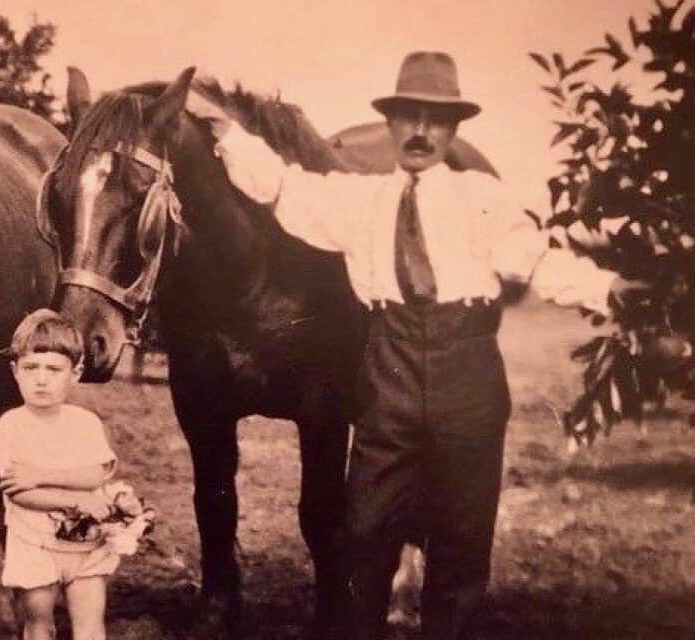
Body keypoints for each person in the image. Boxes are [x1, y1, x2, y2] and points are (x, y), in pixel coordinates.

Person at [206, 52, 641, 640]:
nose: (419, 132)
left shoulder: (482, 197)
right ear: (389, 125)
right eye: (407, 117)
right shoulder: (359, 199)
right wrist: (222, 128)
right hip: (389, 372)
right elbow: (281, 186)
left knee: (460, 547)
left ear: (454, 129)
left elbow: (536, 261)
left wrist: (612, 290)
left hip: (469, 374)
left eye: (435, 120)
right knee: (363, 536)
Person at [0, 309, 120, 640]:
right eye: (31, 368)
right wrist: (76, 501)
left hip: (86, 545)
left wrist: (39, 473)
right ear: (15, 371)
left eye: (54, 369)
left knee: (90, 626)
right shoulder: (11, 425)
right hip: (34, 544)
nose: (41, 378)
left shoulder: (84, 422)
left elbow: (94, 474)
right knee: (38, 624)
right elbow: (20, 491)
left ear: (75, 373)